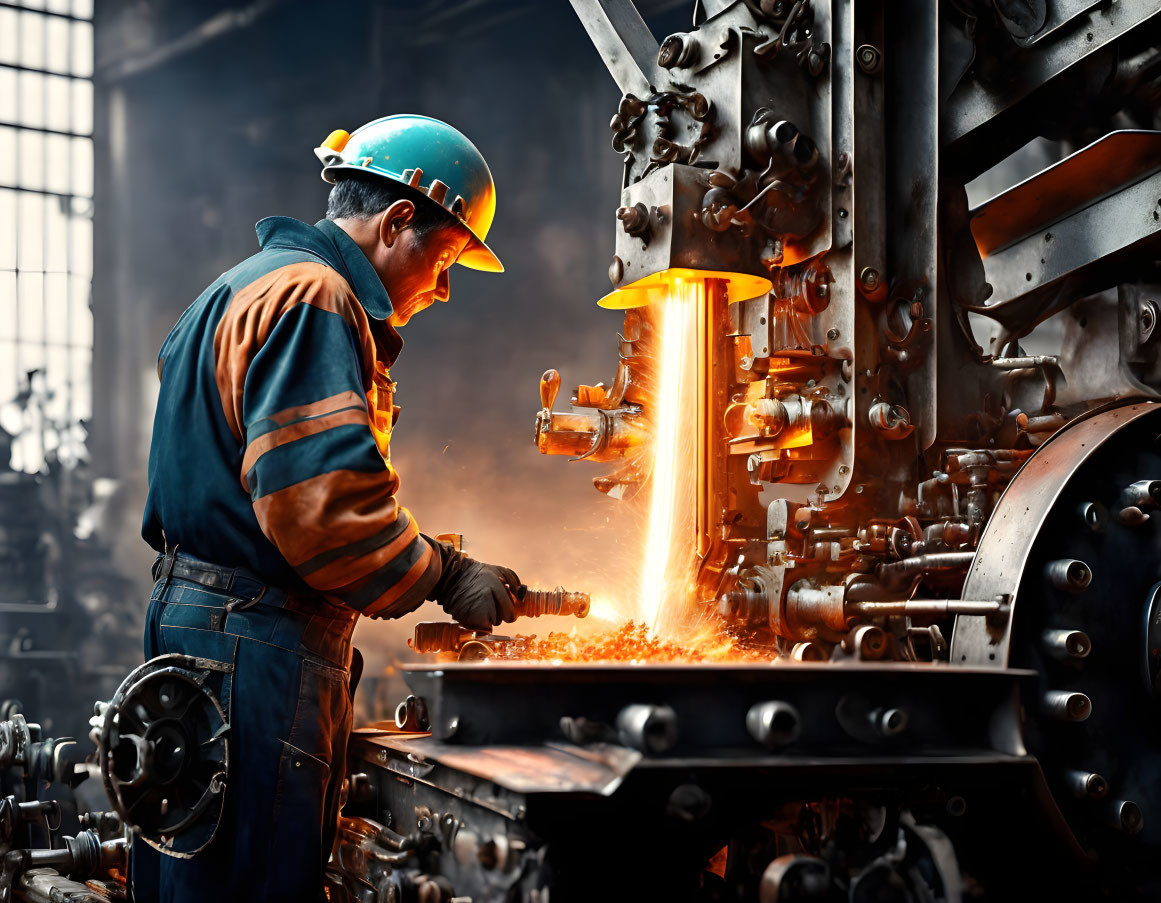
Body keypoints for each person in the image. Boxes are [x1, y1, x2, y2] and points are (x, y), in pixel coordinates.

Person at [133, 115, 521, 901]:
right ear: (399, 220)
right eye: (444, 260)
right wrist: (445, 573)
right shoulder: (315, 294)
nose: (443, 289)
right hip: (256, 645)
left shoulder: (236, 287)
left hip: (197, 622)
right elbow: (321, 510)